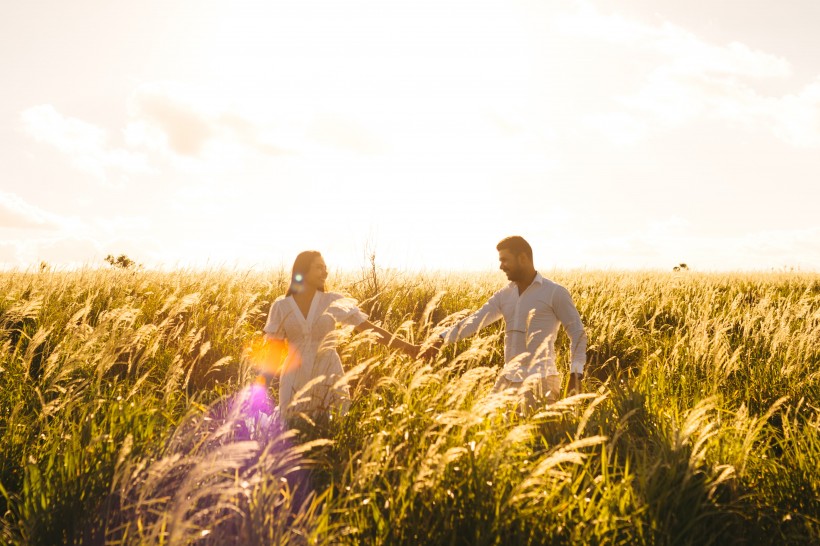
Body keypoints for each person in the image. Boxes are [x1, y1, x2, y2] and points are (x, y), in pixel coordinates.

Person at [423, 236, 587, 413]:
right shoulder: (504, 295)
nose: (501, 266)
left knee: (533, 437)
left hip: (540, 381)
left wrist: (575, 375)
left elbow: (577, 333)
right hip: (507, 379)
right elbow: (475, 320)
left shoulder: (555, 292)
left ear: (522, 258)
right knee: (487, 427)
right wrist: (441, 339)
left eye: (504, 260)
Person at [259, 250, 419, 420]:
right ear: (303, 270)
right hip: (294, 380)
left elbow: (368, 329)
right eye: (319, 268)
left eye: (325, 268)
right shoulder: (281, 307)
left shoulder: (332, 301)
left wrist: (409, 348)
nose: (325, 272)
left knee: (331, 428)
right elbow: (274, 354)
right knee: (293, 431)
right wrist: (260, 391)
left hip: (329, 374)